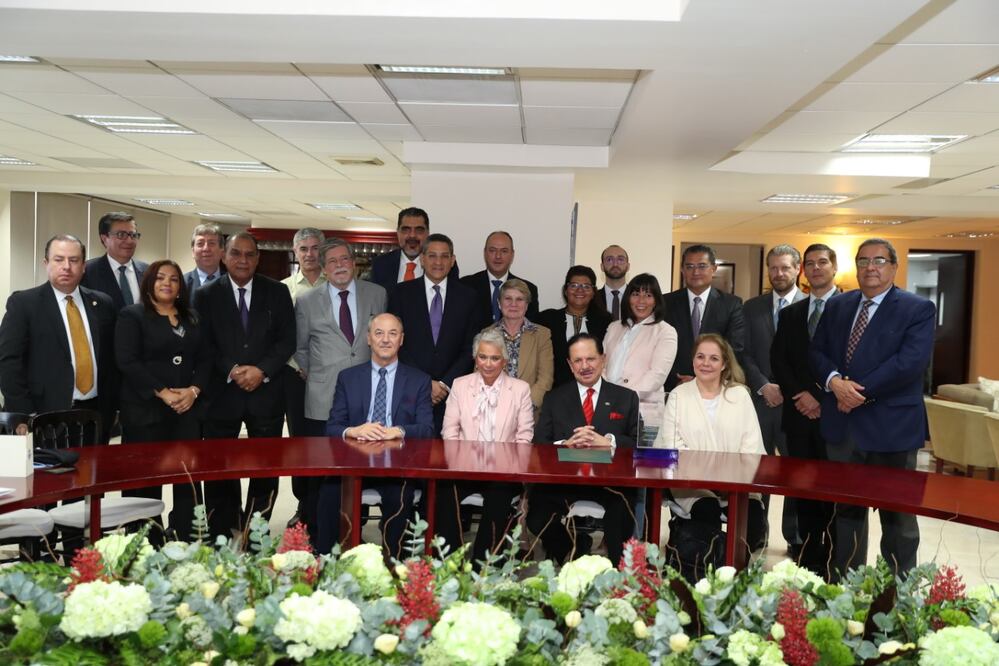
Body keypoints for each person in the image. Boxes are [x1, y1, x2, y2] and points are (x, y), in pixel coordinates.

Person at [810, 238, 935, 578]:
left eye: (879, 260)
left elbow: (909, 363)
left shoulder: (917, 309)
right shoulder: (837, 306)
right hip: (843, 428)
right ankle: (846, 586)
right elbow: (818, 352)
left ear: (894, 267)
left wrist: (857, 392)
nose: (870, 267)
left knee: (897, 517)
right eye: (863, 261)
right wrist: (835, 381)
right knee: (846, 512)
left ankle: (898, 590)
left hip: (891, 428)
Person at [198, 231, 296, 539]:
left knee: (265, 467)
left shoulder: (277, 292)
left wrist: (261, 370)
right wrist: (232, 369)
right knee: (218, 466)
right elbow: (203, 344)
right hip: (221, 394)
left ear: (258, 258)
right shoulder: (205, 295)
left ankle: (258, 529)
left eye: (250, 254)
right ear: (224, 257)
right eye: (236, 254)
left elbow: (287, 340)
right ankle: (223, 529)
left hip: (266, 392)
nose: (243, 260)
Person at [316, 313, 434, 557]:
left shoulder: (419, 380)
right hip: (355, 461)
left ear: (402, 340)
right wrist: (354, 430)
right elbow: (333, 426)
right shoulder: (348, 378)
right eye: (379, 333)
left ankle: (394, 562)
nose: (385, 340)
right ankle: (330, 558)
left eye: (393, 333)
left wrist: (398, 431)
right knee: (329, 489)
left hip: (397, 464)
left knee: (401, 495)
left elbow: (427, 429)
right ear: (368, 339)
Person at [654, 333, 767, 581]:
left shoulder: (740, 395)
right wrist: (710, 482)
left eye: (714, 358)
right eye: (700, 357)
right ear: (693, 360)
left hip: (737, 482)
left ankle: (734, 576)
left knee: (755, 518)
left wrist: (731, 482)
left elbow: (751, 447)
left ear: (725, 363)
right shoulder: (678, 395)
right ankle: (703, 576)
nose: (706, 363)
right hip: (690, 483)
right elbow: (673, 446)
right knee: (707, 508)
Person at [115, 259, 210, 542]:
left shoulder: (191, 317)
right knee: (145, 480)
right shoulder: (132, 315)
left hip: (186, 409)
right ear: (149, 283)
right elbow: (128, 361)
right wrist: (163, 392)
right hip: (145, 410)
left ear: (181, 286)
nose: (167, 283)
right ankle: (146, 541)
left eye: (173, 279)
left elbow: (206, 359)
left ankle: (189, 537)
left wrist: (193, 390)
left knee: (187, 479)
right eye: (160, 278)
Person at [526, 333, 640, 565]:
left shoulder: (626, 397)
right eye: (578, 360)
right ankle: (573, 549)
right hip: (565, 480)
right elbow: (539, 444)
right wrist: (563, 445)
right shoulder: (554, 398)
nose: (585, 366)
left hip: (610, 482)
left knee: (624, 510)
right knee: (537, 516)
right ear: (569, 364)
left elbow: (638, 443)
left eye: (591, 359)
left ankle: (618, 572)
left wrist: (609, 441)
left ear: (603, 359)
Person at [0, 235, 116, 441]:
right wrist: (23, 415)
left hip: (95, 417)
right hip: (43, 417)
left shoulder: (103, 303)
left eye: (74, 260)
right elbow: (9, 363)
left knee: (94, 473)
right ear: (46, 263)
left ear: (84, 266)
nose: (66, 267)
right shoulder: (24, 304)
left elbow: (111, 360)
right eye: (59, 259)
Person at [771, 243, 840, 577]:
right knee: (805, 492)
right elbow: (779, 361)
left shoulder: (850, 308)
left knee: (837, 494)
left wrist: (819, 397)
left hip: (837, 416)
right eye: (810, 263)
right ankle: (810, 559)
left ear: (834, 267)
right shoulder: (791, 314)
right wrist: (801, 395)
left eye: (822, 262)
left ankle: (838, 560)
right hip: (798, 417)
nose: (815, 268)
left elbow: (850, 362)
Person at [438, 328, 534, 563]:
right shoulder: (460, 385)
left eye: (494, 358)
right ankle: (450, 560)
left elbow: (524, 438)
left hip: (503, 470)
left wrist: (508, 466)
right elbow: (449, 432)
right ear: (475, 358)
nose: (488, 364)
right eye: (482, 357)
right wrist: (462, 462)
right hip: (463, 468)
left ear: (504, 360)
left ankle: (483, 564)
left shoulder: (520, 389)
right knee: (443, 493)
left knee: (499, 497)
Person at [740, 245, 807, 554]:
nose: (778, 274)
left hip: (798, 404)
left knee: (795, 472)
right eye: (773, 268)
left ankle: (794, 536)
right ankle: (757, 531)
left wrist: (790, 388)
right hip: (760, 401)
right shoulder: (751, 307)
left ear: (798, 270)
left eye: (785, 268)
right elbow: (743, 353)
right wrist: (764, 385)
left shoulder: (813, 306)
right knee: (759, 469)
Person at [389, 233, 480, 433]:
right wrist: (425, 383)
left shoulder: (468, 297)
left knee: (449, 457)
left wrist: (444, 384)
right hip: (409, 392)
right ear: (422, 259)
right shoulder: (401, 293)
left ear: (452, 260)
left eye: (444, 256)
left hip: (453, 394)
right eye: (432, 256)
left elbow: (470, 347)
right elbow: (396, 343)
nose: (438, 262)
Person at [280, 228, 326, 525]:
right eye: (303, 249)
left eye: (314, 248)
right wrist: (299, 365)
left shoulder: (337, 283)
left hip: (328, 377)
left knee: (325, 441)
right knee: (300, 443)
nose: (309, 254)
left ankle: (325, 500)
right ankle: (303, 505)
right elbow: (281, 337)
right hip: (294, 376)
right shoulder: (282, 288)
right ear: (295, 252)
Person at [602, 273, 677, 443]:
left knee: (642, 463)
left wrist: (625, 400)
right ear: (628, 298)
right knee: (610, 458)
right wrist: (607, 397)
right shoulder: (614, 327)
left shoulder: (666, 331)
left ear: (656, 300)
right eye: (636, 294)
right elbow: (602, 365)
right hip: (608, 406)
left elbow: (657, 375)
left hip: (645, 409)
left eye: (648, 295)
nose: (641, 301)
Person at [662, 244, 745, 392]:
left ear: (713, 269)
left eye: (702, 266)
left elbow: (734, 348)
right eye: (689, 266)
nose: (695, 272)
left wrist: (701, 378)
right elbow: (661, 346)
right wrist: (678, 378)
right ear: (682, 270)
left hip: (715, 387)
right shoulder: (665, 303)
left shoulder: (731, 304)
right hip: (675, 385)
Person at [537, 266, 613, 388]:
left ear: (593, 292)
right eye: (574, 285)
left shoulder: (605, 322)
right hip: (555, 392)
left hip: (593, 391)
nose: (580, 290)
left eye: (586, 286)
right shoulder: (547, 319)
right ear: (566, 290)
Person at [484, 279, 553, 413]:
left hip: (530, 414)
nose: (513, 304)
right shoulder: (486, 334)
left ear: (527, 305)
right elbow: (481, 376)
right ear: (499, 303)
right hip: (493, 413)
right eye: (508, 298)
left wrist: (524, 407)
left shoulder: (542, 335)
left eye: (520, 299)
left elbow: (546, 378)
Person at [460, 231, 540, 327]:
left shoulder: (529, 289)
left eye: (504, 251)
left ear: (512, 254)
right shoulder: (465, 286)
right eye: (492, 250)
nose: (498, 256)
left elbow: (531, 330)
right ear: (485, 252)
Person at [370, 207, 457, 295]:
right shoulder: (380, 264)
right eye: (406, 230)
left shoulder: (443, 264)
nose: (412, 235)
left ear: (428, 233)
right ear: (398, 232)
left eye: (419, 230)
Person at [81, 211, 148, 312]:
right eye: (121, 235)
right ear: (104, 239)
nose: (130, 241)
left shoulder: (148, 271)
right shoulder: (87, 271)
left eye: (133, 235)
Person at [184, 223, 225, 298]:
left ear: (222, 251)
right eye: (200, 244)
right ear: (193, 252)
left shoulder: (234, 282)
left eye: (211, 243)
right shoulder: (182, 283)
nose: (206, 249)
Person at [599, 245, 630, 320]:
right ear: (602, 266)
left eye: (620, 259)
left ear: (628, 266)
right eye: (609, 260)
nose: (615, 264)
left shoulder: (639, 299)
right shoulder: (592, 299)